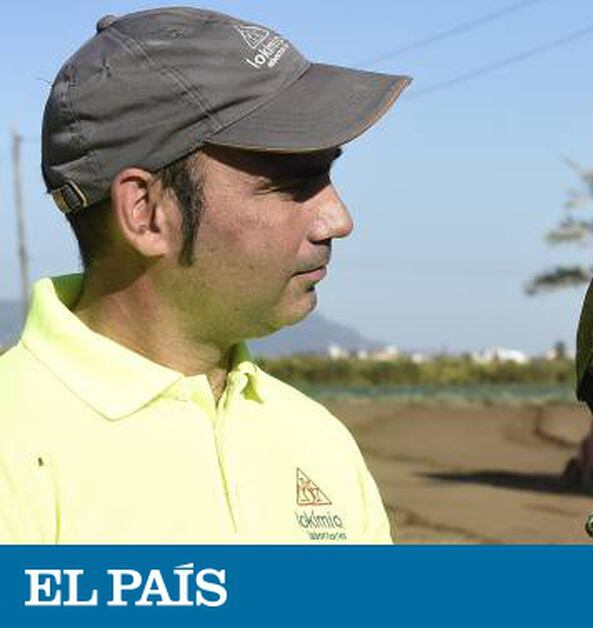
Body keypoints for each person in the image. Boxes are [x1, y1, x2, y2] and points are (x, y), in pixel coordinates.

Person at [0, 7, 411, 543]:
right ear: (146, 211)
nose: (339, 219)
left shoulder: (318, 442)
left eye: (328, 175)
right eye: (293, 184)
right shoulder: (15, 447)